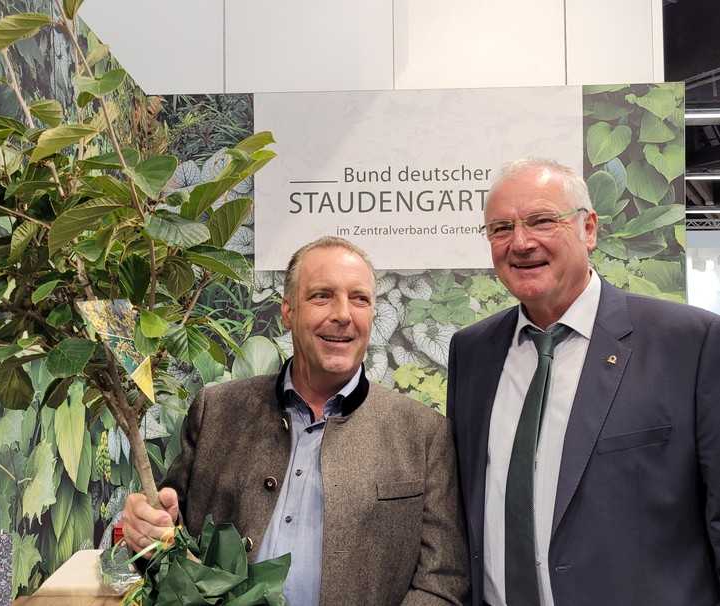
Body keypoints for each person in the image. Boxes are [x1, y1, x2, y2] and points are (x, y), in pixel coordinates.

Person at [125, 236, 470, 606]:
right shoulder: (217, 411)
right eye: (322, 295)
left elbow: (442, 580)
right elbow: (168, 543)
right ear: (287, 311)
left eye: (360, 299)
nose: (343, 314)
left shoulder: (423, 433)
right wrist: (148, 531)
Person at [447, 158, 720, 606]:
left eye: (540, 221)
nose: (520, 242)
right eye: (500, 228)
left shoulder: (690, 344)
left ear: (588, 229)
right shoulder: (472, 352)